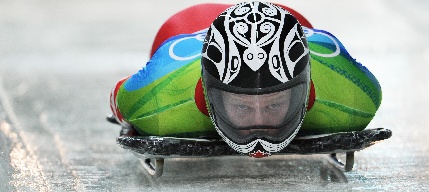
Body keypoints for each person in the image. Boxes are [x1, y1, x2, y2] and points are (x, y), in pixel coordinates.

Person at [110, 2, 382, 158]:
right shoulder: (159, 92)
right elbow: (121, 94)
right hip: (187, 26)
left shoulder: (354, 93)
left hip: (294, 21)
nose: (258, 124)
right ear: (209, 90)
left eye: (274, 104)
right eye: (241, 106)